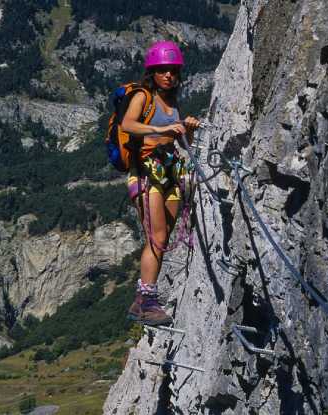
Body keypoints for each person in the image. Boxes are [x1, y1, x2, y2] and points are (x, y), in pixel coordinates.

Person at [121, 40, 200, 326]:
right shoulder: (144, 96)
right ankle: (146, 300)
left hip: (169, 169)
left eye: (173, 71)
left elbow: (181, 141)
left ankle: (143, 301)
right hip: (145, 171)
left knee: (164, 236)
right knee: (155, 237)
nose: (168, 75)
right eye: (162, 70)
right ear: (152, 72)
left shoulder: (172, 102)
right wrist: (160, 127)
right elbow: (127, 124)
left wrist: (186, 129)